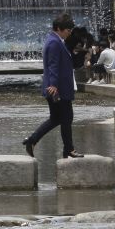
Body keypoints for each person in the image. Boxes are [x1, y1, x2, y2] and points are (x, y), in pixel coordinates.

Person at [22, 13, 83, 159]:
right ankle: (69, 150)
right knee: (66, 118)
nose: (69, 33)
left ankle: (32, 140)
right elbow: (53, 65)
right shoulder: (55, 42)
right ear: (59, 28)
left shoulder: (54, 40)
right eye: (67, 30)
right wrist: (54, 85)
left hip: (56, 87)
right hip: (57, 89)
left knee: (57, 118)